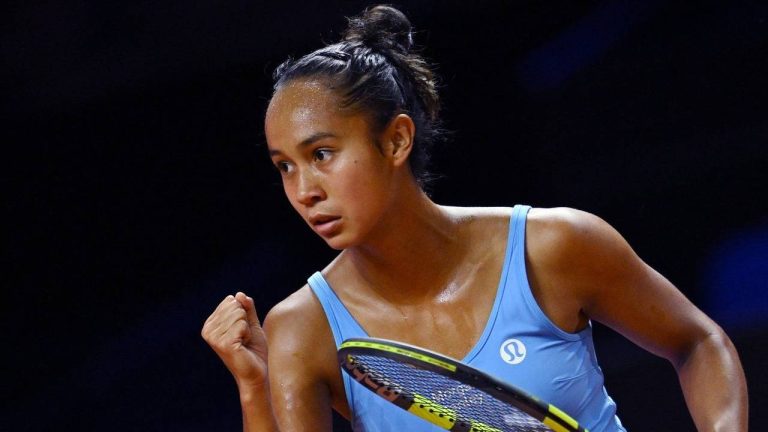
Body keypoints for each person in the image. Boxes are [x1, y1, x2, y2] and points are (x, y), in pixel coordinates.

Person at [201, 5, 748, 431]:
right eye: (284, 167)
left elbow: (698, 342)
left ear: (396, 139)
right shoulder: (302, 329)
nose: (303, 191)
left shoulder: (554, 246)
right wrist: (254, 387)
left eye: (321, 155)